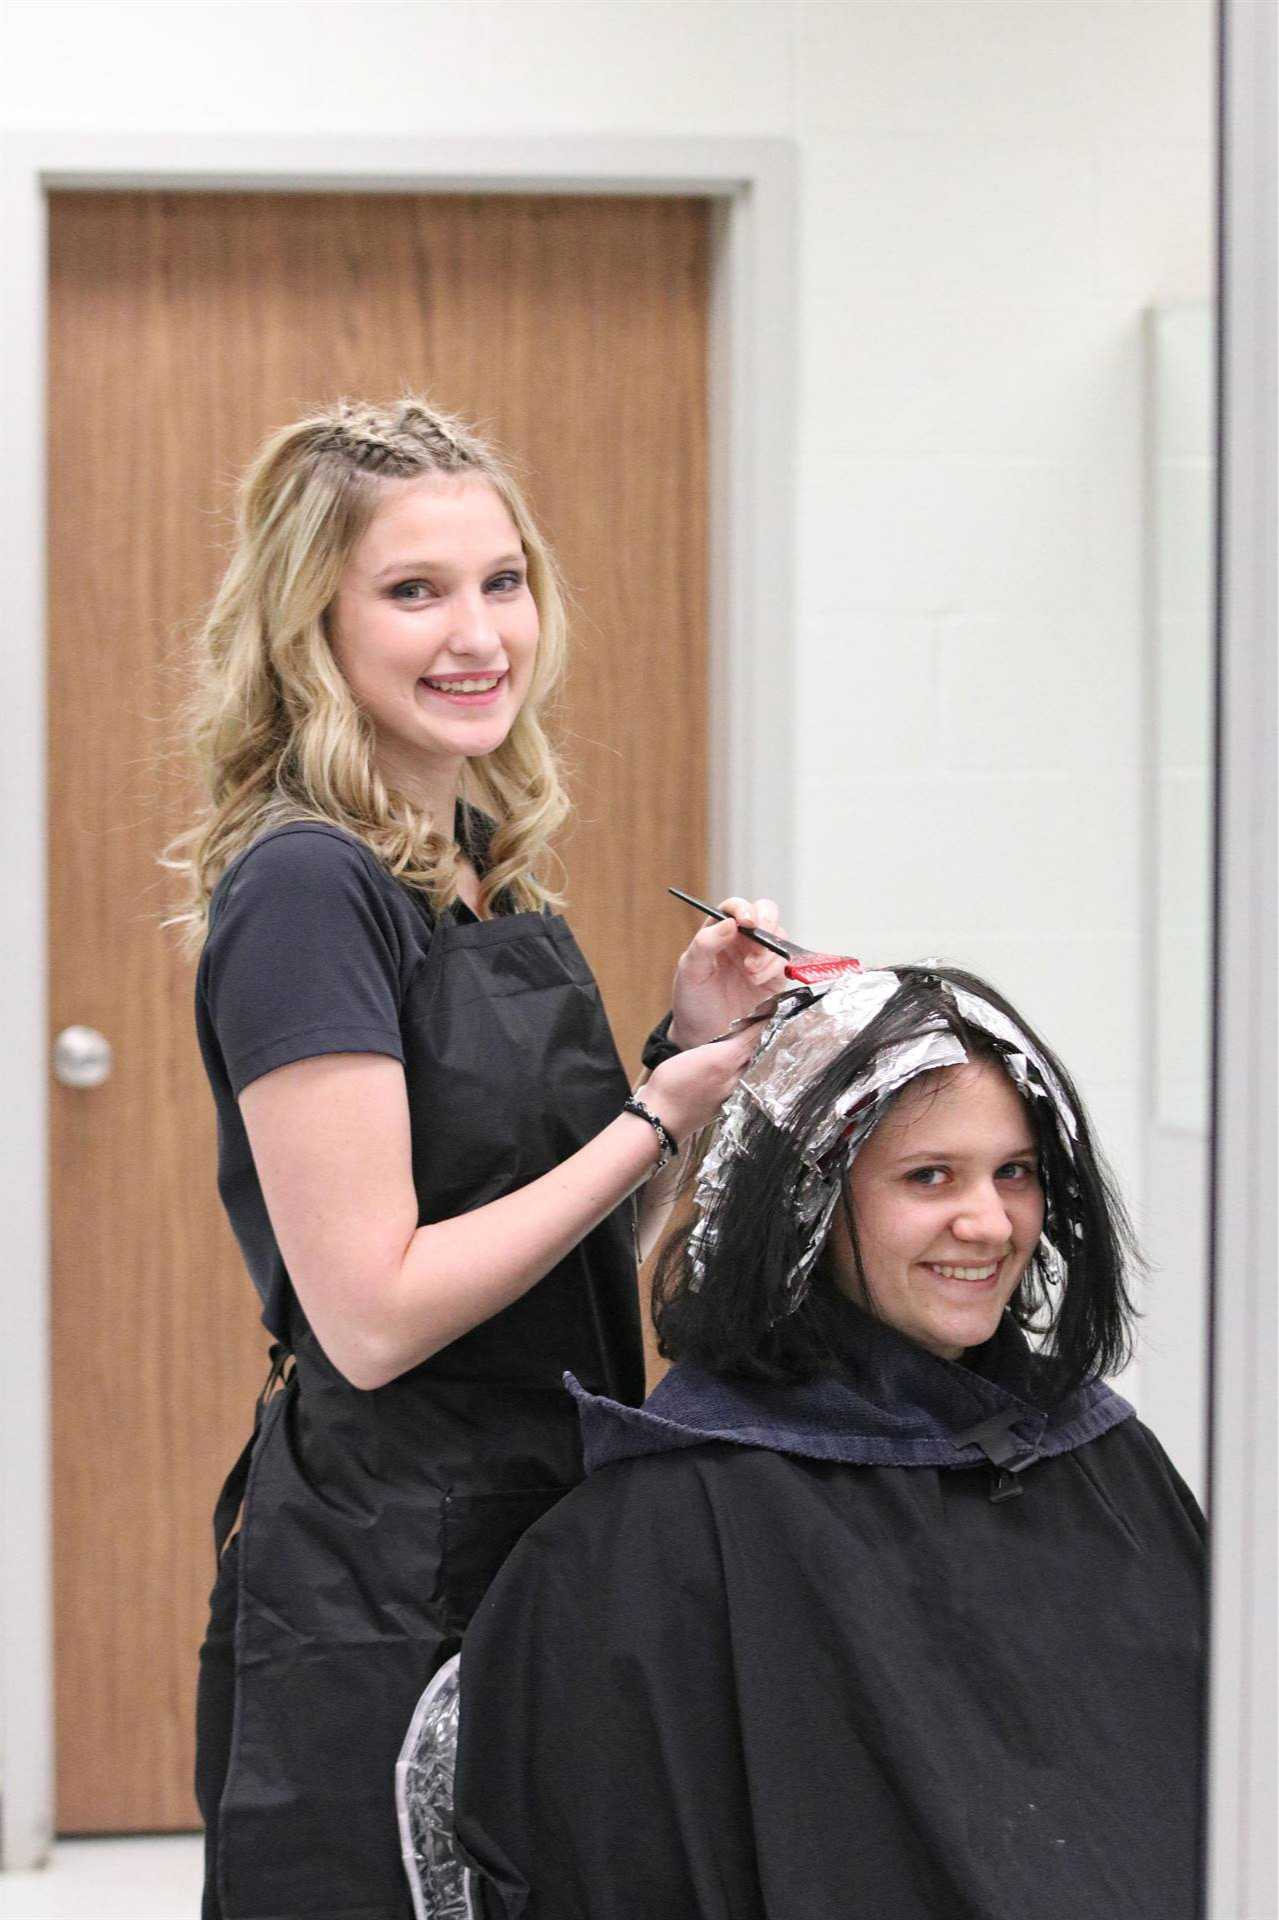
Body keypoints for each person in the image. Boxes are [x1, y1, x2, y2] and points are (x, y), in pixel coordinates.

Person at [172, 395, 781, 1920]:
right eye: (412, 590)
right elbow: (372, 1311)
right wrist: (661, 1116)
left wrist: (671, 1044)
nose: (476, 634)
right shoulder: (310, 891)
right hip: (387, 1561)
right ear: (310, 621)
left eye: (500, 581)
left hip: (539, 1508)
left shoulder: (474, 867)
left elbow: (531, 1221)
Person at [452, 962, 1206, 1920]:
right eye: (927, 1176)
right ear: (805, 1202)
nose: (987, 1222)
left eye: (1012, 1172)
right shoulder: (673, 1526)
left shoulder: (1097, 1459)